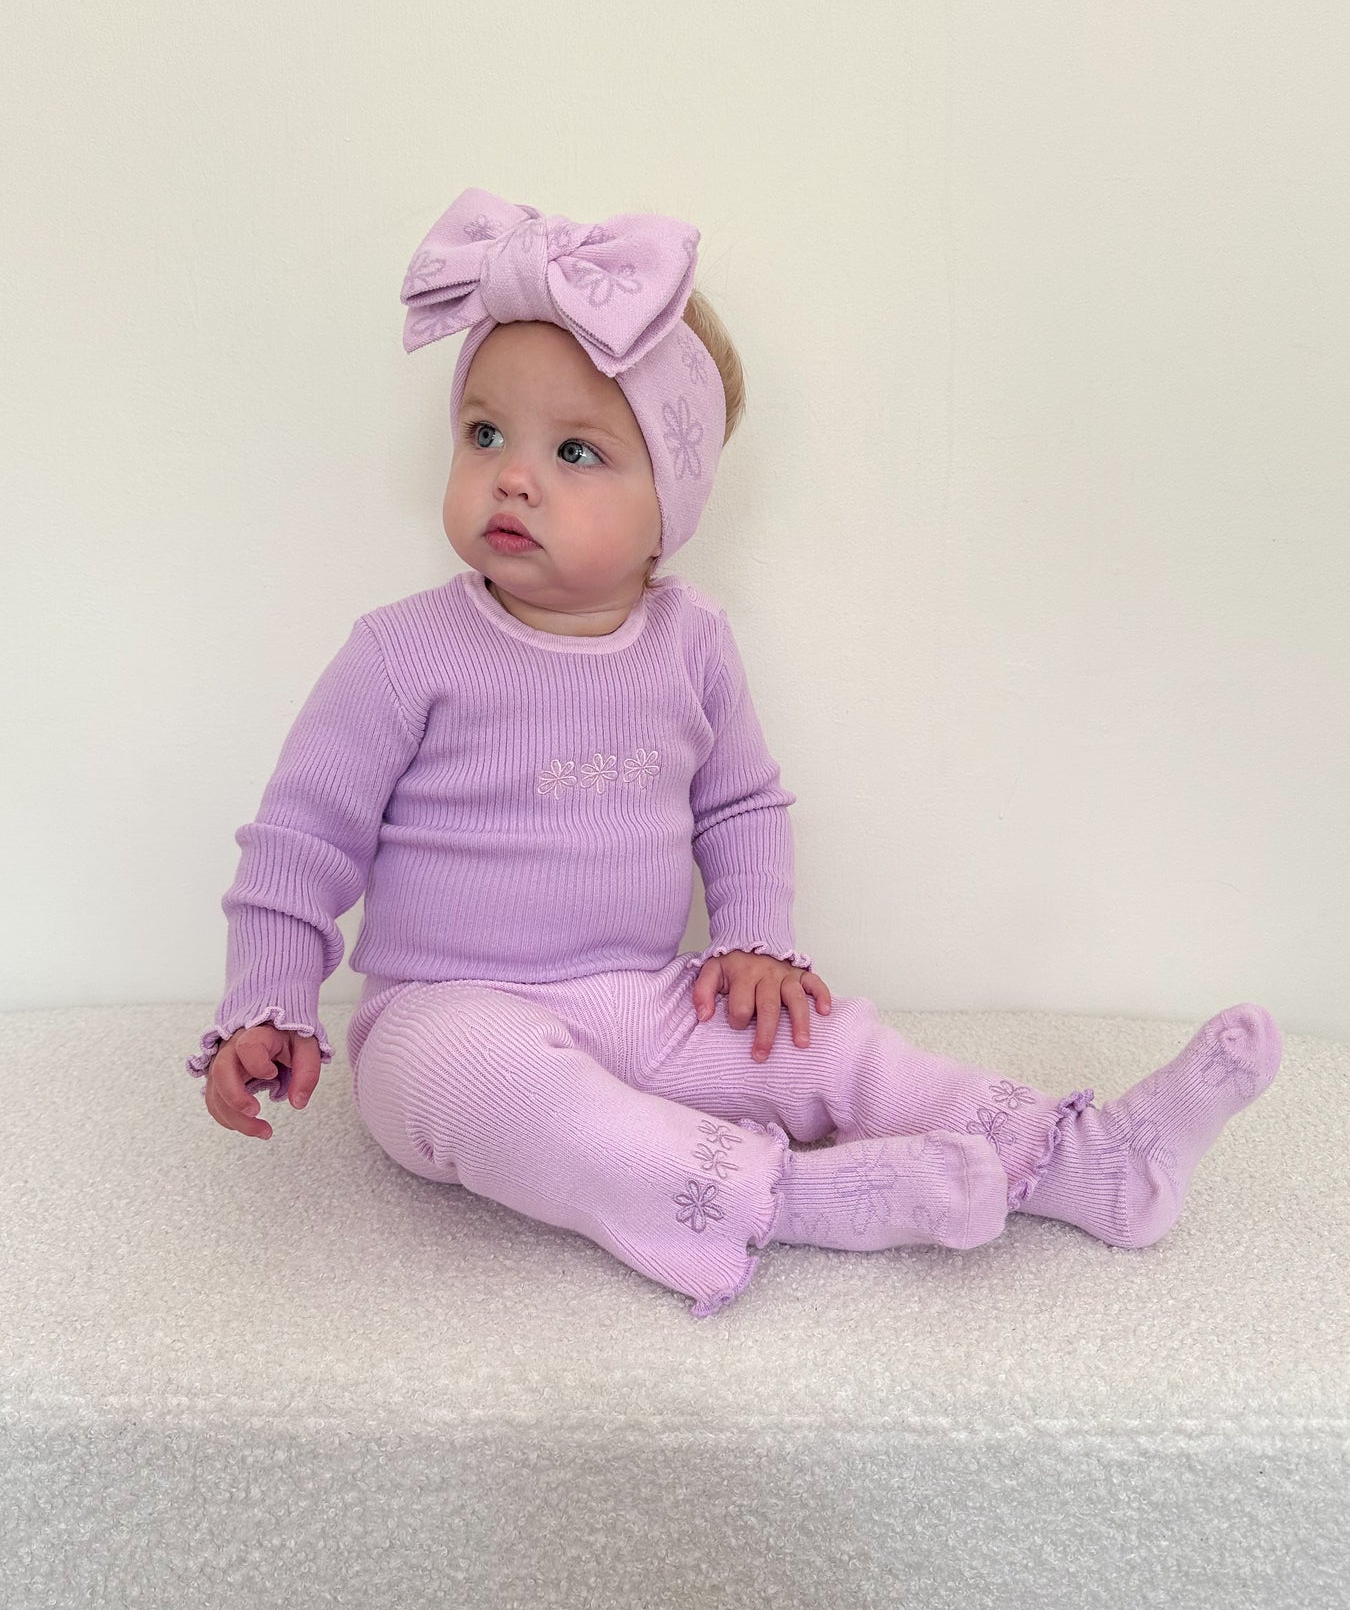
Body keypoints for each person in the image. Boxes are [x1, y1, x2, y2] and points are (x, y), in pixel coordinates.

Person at [187, 187, 1283, 1319]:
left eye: (576, 450)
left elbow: (741, 807)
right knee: (489, 1087)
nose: (512, 475)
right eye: (484, 434)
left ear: (671, 505)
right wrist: (270, 1000)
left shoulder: (691, 641)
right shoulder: (402, 653)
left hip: (650, 1000)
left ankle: (1095, 1163)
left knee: (829, 1048)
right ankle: (798, 1199)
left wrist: (756, 939)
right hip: (447, 1008)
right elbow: (301, 840)